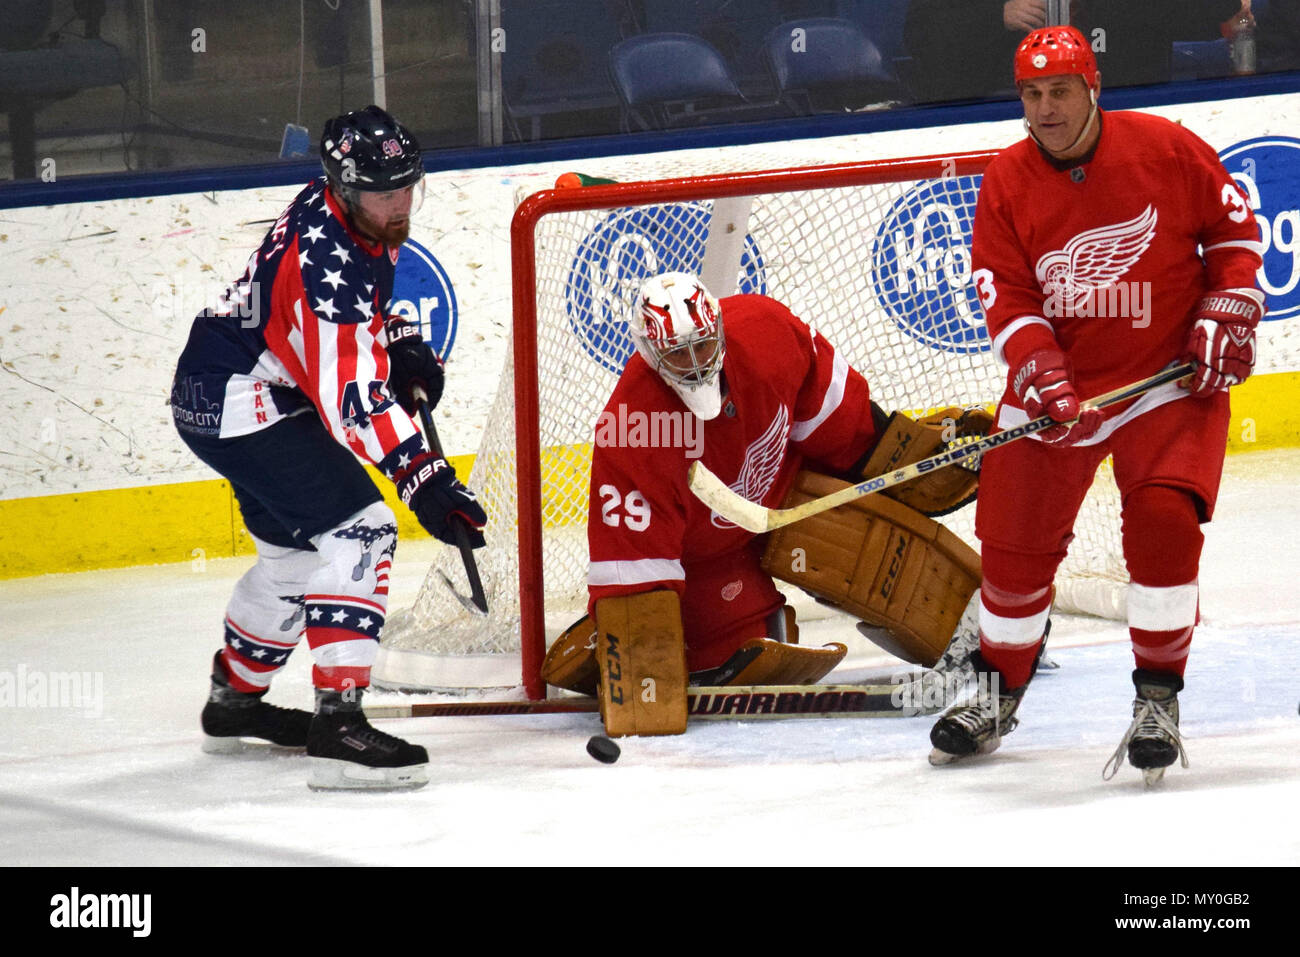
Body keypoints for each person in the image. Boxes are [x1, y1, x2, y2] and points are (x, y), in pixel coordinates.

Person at [928, 26, 1265, 782]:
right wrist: (1045, 376)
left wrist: (1229, 307)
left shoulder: (1167, 149)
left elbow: (1235, 235)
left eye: (1059, 91)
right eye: (1032, 94)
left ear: (1093, 88)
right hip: (1057, 391)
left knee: (1164, 521)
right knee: (1013, 545)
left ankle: (1157, 697)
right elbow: (1006, 296)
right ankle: (995, 689)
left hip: (1166, 382)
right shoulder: (1007, 180)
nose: (1045, 109)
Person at [170, 105, 486, 791]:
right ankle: (338, 722)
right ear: (344, 190)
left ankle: (234, 701)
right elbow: (353, 406)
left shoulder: (348, 211)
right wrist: (425, 480)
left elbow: (353, 319)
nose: (399, 202)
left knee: (293, 554)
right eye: (384, 192)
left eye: (408, 185)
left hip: (218, 385)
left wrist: (395, 339)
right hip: (243, 398)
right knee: (362, 529)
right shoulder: (328, 259)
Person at [542, 271, 994, 737]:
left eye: (703, 344)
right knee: (744, 655)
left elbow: (846, 427)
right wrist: (640, 683)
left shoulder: (766, 331)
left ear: (718, 326)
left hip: (789, 497)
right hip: (705, 558)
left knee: (881, 554)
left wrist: (913, 458)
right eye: (678, 352)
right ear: (649, 352)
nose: (696, 363)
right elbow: (636, 572)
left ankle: (1002, 636)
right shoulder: (635, 428)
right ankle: (618, 646)